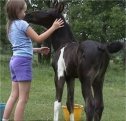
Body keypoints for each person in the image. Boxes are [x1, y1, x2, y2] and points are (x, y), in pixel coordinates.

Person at [2, 0, 64, 121]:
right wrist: (53, 27)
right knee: (23, 99)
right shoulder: (22, 24)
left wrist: (38, 50)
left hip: (15, 61)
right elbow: (38, 38)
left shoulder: (10, 26)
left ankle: (4, 119)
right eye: (24, 11)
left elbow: (20, 47)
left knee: (14, 95)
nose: (25, 14)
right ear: (17, 11)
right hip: (22, 63)